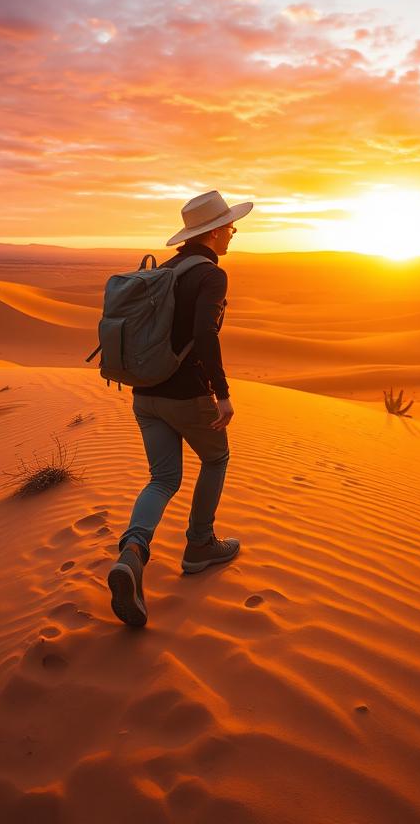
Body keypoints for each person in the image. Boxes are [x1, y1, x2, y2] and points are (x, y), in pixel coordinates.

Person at [107, 190, 253, 627]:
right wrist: (222, 393)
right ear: (211, 232)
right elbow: (206, 336)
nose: (233, 232)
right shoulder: (210, 275)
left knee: (163, 477)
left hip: (144, 393)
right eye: (228, 226)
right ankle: (200, 545)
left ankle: (132, 552)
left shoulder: (163, 271)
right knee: (217, 458)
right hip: (188, 394)